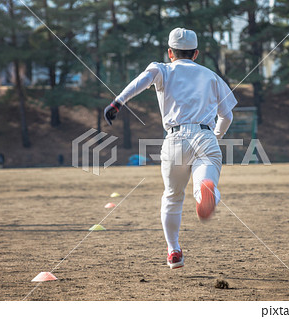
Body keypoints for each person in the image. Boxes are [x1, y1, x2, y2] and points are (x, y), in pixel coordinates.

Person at [104, 27, 237, 269]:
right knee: (205, 183)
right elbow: (226, 116)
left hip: (175, 139)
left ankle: (173, 250)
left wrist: (118, 102)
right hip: (205, 135)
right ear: (196, 54)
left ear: (170, 52)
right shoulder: (211, 76)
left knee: (172, 196)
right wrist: (215, 135)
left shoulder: (161, 69)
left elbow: (141, 82)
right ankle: (205, 192)